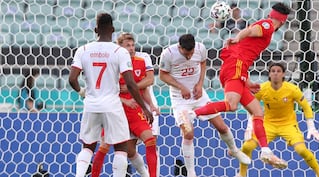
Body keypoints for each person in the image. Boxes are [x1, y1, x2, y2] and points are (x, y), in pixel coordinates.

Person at [183, 2, 292, 169]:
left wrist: (247, 82)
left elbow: (247, 46)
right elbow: (248, 31)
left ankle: (265, 151)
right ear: (283, 21)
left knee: (257, 111)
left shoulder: (267, 25)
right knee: (231, 105)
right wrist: (237, 37)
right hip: (236, 65)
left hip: (238, 68)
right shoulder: (268, 25)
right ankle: (191, 114)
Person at [68, 13, 153, 177]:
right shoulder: (119, 51)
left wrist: (82, 92)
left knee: (87, 146)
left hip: (91, 105)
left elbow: (72, 79)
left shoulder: (83, 50)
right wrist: (144, 107)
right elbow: (130, 83)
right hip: (113, 106)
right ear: (113, 30)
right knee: (121, 148)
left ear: (95, 30)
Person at [159, 33, 251, 177]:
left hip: (199, 96)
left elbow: (202, 63)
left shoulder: (201, 49)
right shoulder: (168, 54)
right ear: (180, 47)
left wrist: (200, 84)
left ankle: (234, 150)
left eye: (191, 54)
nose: (189, 57)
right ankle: (191, 172)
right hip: (180, 100)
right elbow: (162, 75)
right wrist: (180, 87)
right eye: (186, 54)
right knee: (188, 133)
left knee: (221, 126)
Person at [235, 62, 319, 177]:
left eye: (278, 71)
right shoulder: (262, 88)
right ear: (269, 74)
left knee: (302, 150)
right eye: (273, 71)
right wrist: (250, 126)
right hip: (268, 125)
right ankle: (242, 175)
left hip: (288, 125)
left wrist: (311, 127)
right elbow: (250, 106)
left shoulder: (292, 89)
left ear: (283, 74)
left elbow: (306, 106)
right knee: (247, 146)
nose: (275, 74)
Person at [91, 32, 159, 177]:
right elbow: (106, 90)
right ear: (120, 47)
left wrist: (151, 105)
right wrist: (124, 100)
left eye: (133, 45)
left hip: (134, 111)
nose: (132, 48)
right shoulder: (113, 64)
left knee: (150, 140)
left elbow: (144, 88)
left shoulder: (140, 61)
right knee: (105, 146)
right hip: (116, 111)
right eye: (128, 46)